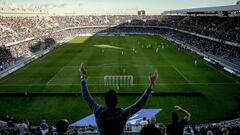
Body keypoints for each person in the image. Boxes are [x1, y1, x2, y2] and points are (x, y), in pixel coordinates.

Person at [80, 64, 158, 135]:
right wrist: (151, 84)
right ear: (117, 102)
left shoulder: (98, 111)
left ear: (105, 101)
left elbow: (86, 96)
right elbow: (140, 104)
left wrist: (83, 77)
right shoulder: (122, 114)